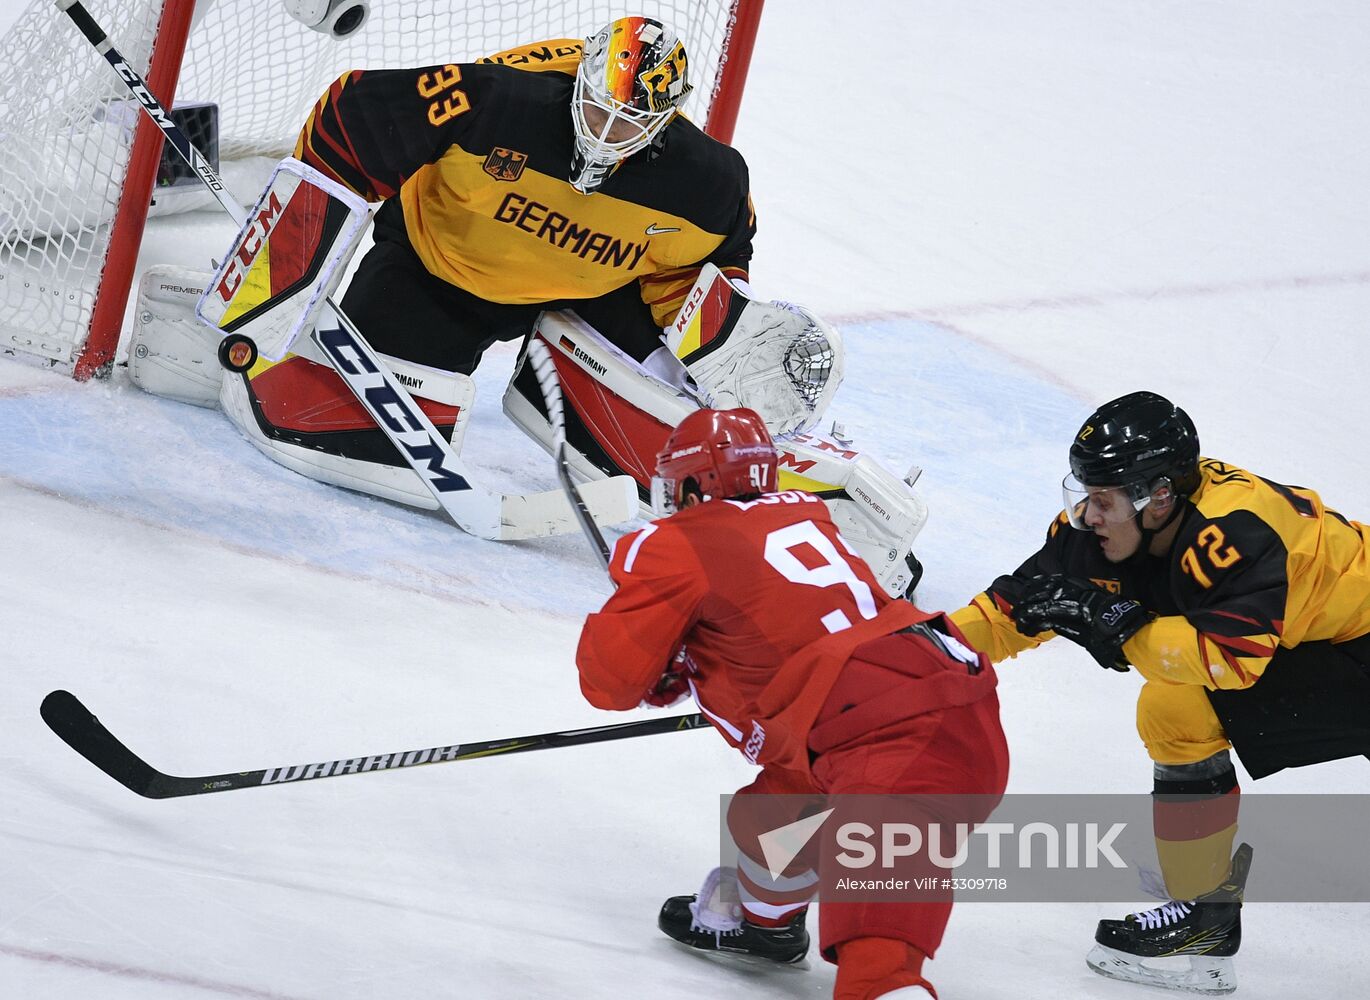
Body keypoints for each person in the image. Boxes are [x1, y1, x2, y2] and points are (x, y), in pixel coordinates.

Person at [576, 407, 1009, 1000]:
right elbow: (778, 625)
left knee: (877, 971)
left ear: (694, 486)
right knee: (769, 821)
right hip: (909, 707)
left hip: (900, 743)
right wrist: (697, 661)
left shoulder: (676, 543)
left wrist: (659, 655)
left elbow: (608, 683)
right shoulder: (806, 511)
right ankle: (766, 926)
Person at [215, 16, 756, 490]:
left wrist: (718, 370)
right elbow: (352, 116)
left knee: (679, 427)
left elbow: (712, 262)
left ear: (665, 121)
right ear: (580, 81)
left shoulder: (708, 180)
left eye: (631, 123)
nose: (607, 133)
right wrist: (278, 267)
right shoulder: (498, 100)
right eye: (597, 109)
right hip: (442, 266)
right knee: (354, 427)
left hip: (586, 291)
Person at [949, 390, 1370, 994]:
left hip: (1354, 643)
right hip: (1319, 645)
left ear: (1160, 496)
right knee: (1175, 706)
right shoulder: (1099, 531)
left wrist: (1121, 626)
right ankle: (1205, 916)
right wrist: (902, 648)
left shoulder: (1235, 532)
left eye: (1104, 500)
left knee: (1185, 688)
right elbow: (1009, 612)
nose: (1088, 515)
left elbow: (1230, 658)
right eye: (1085, 494)